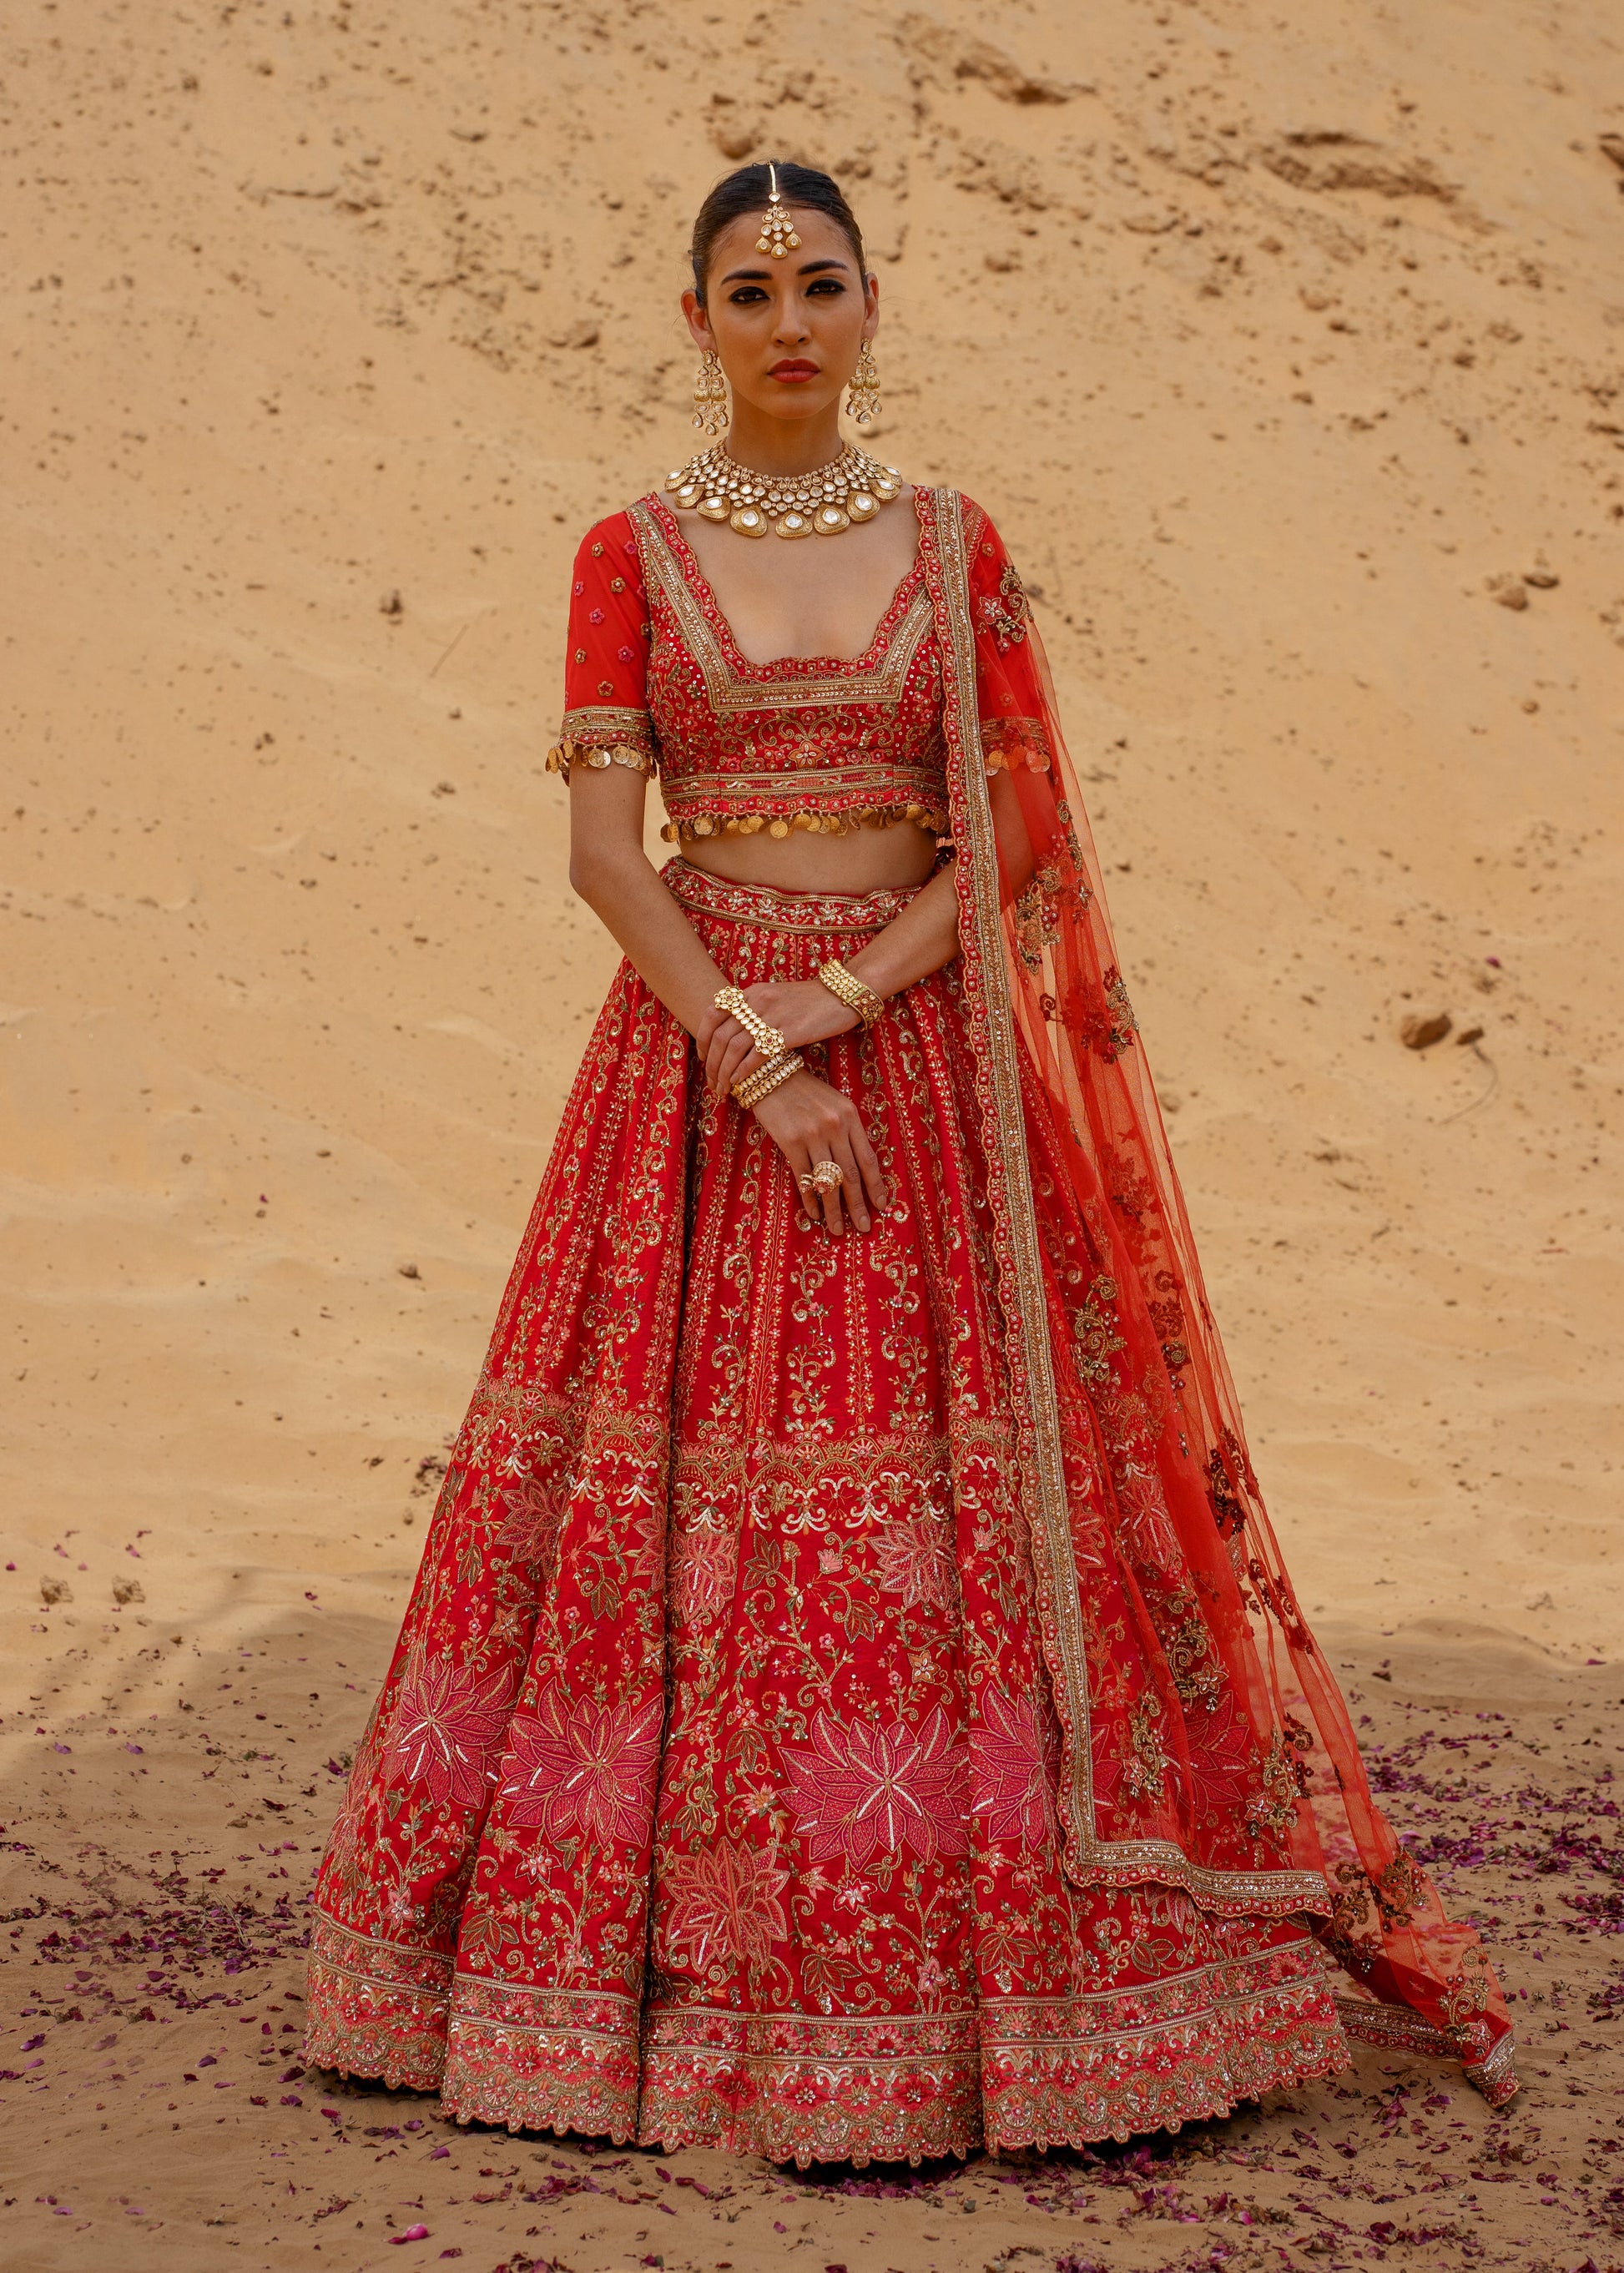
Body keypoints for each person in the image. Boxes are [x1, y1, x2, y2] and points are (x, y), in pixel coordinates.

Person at [302, 161, 1516, 2164]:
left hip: (914, 1060)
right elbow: (609, 855)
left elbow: (1013, 843)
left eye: (821, 283)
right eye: (748, 287)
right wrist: (755, 1056)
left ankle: (1009, 2006)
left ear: (877, 307)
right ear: (691, 314)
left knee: (970, 1519)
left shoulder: (956, 547)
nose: (788, 319)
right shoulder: (628, 548)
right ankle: (642, 1997)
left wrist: (842, 1013)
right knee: (676, 1510)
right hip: (695, 1075)